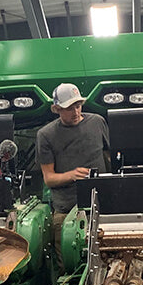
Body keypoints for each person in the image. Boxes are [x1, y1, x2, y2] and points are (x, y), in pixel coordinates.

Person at [37, 83, 109, 271]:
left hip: (101, 207)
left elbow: (111, 160)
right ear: (57, 109)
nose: (76, 111)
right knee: (69, 267)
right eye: (69, 108)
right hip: (66, 211)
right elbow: (49, 179)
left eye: (78, 105)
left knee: (107, 260)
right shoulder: (46, 135)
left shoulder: (97, 122)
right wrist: (71, 175)